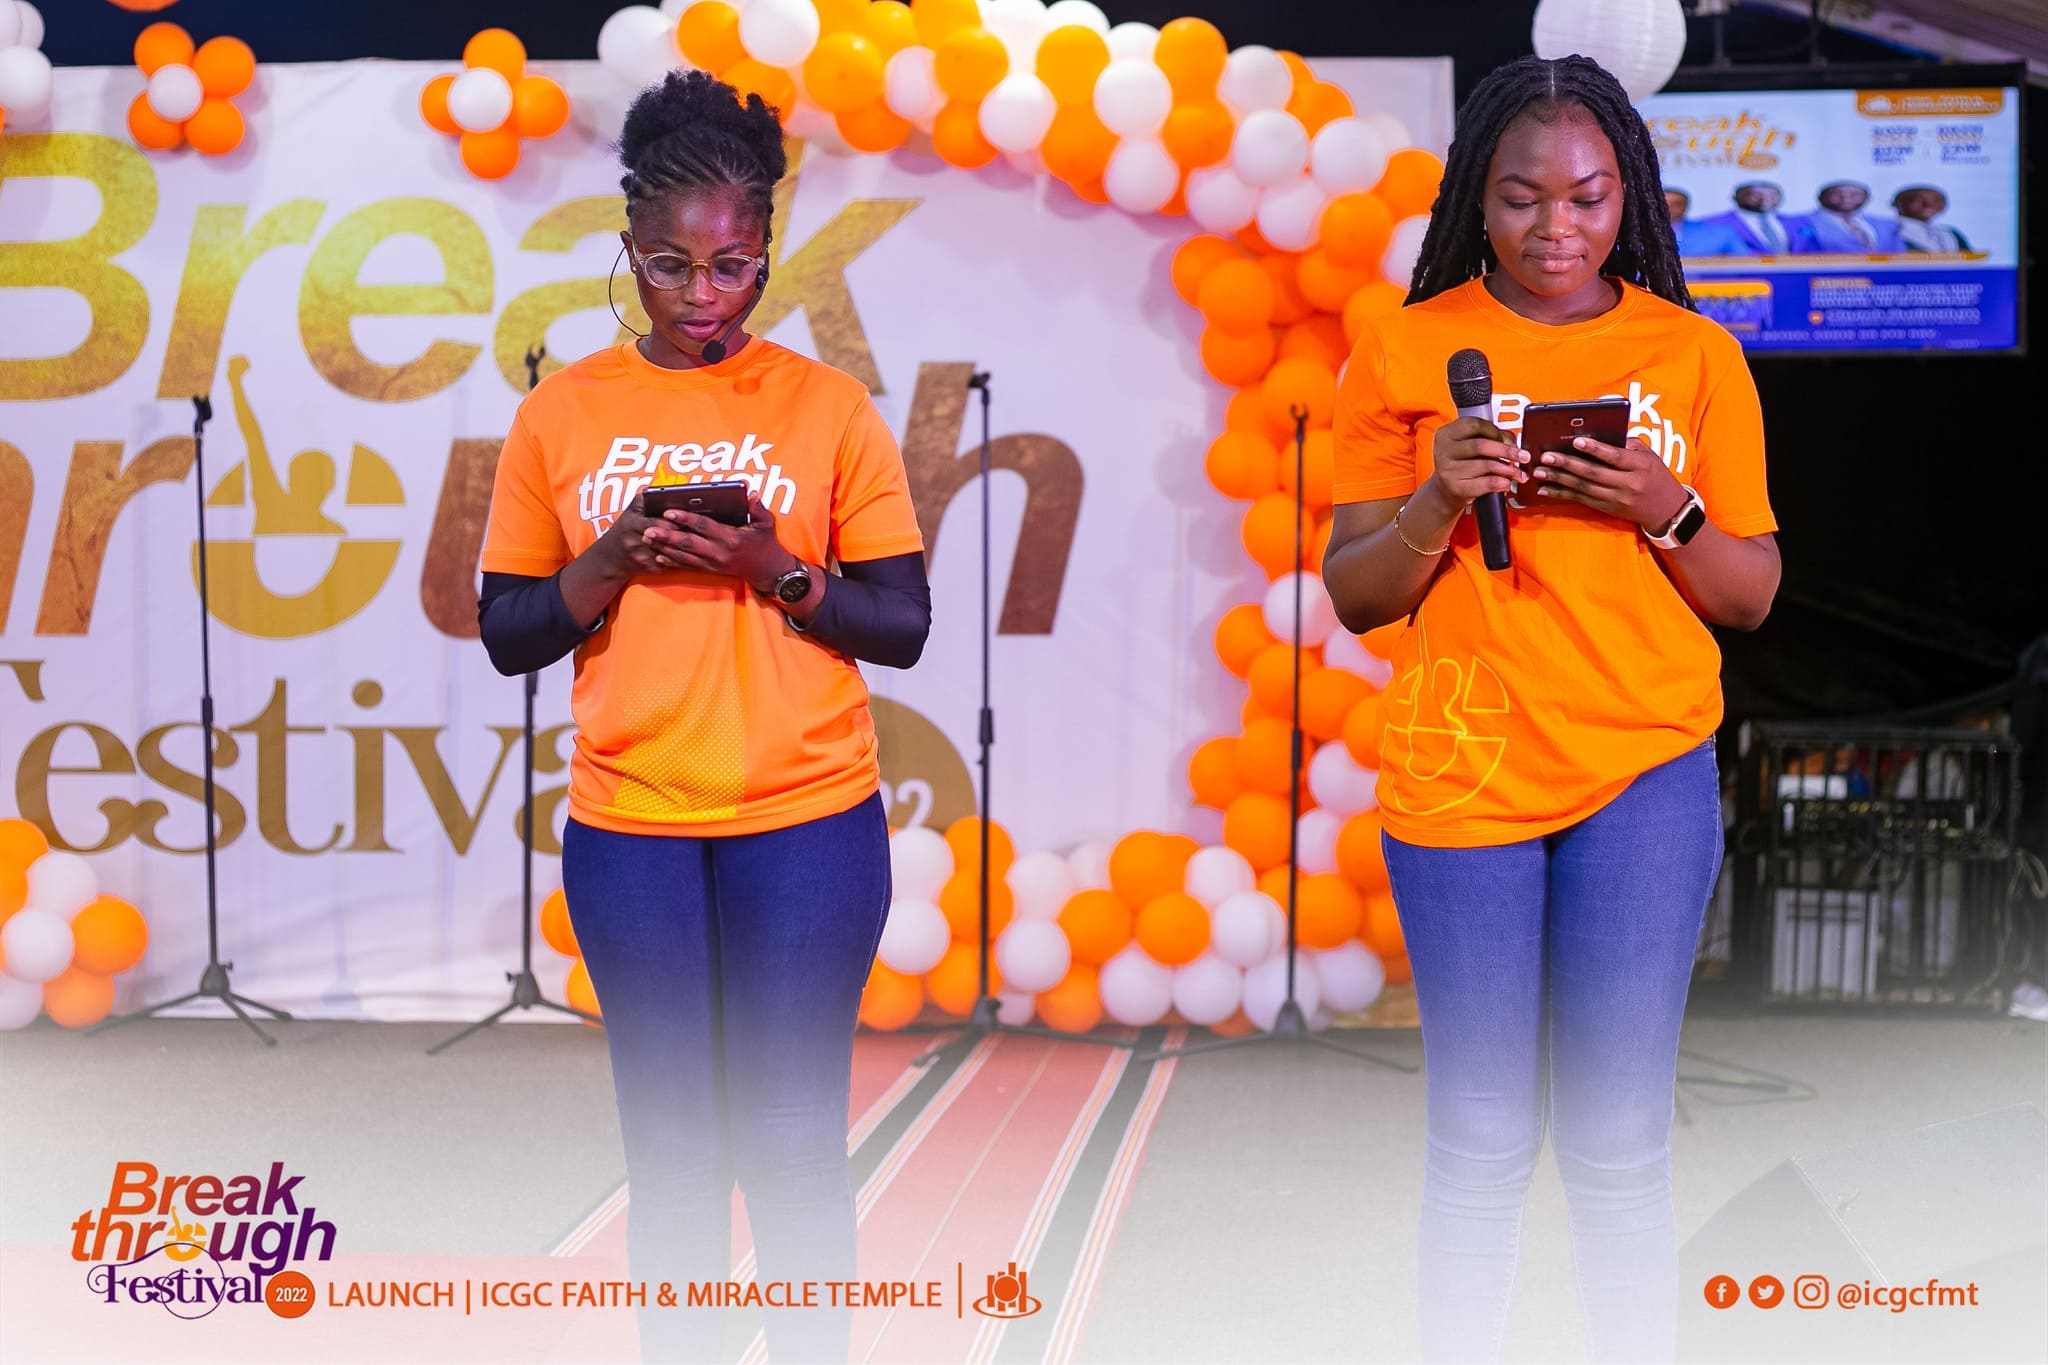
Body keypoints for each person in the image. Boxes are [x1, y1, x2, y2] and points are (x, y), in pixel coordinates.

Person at [1324, 55, 1782, 1364]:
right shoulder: (1405, 348)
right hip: (1463, 768)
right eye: (1521, 198)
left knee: (1618, 1140)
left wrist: (1663, 508)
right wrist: (1434, 499)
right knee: (1477, 1139)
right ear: (1477, 198)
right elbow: (1357, 596)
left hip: (1642, 767)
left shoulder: (1693, 356)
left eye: (1586, 198)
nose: (1555, 228)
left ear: (1627, 196)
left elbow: (1750, 594)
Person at [477, 70, 930, 1364]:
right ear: (627, 247)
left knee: (791, 1145)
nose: (701, 295)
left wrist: (772, 568)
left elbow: (901, 623)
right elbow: (509, 630)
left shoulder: (828, 407)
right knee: (673, 1155)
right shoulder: (561, 412)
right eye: (670, 265)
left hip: (809, 823)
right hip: (633, 830)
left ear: (766, 250)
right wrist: (614, 556)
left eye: (732, 266)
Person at [1699, 180, 1816, 255]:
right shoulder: (1713, 224)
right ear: (1735, 197)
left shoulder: (1799, 223)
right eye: (1755, 195)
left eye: (1772, 195)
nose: (1764, 199)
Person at [1805, 180, 1905, 253]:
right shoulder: (1803, 222)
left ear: (1867, 198)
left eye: (1855, 195)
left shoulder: (1887, 224)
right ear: (1821, 198)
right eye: (1836, 194)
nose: (1846, 199)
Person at [1892, 184, 1973, 253]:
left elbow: (1970, 260)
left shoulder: (1950, 233)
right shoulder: (1890, 232)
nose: (1928, 205)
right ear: (1898, 204)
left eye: (1936, 201)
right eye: (1918, 200)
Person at [1663, 187, 1741, 257]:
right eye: (1663, 204)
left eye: (1676, 204)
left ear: (1686, 206)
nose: (1668, 208)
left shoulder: (1722, 233)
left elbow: (1744, 261)